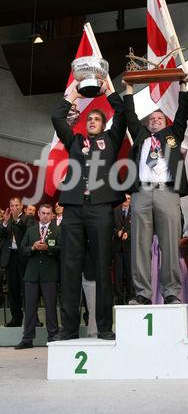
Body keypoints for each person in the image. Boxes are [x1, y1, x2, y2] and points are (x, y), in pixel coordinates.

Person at [51, 81, 126, 340]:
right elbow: (56, 117)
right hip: (73, 208)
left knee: (103, 266)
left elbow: (123, 114)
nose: (93, 120)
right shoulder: (75, 140)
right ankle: (69, 328)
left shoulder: (111, 139)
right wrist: (72, 95)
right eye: (90, 118)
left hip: (101, 208)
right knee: (70, 267)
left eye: (97, 118)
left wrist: (109, 91)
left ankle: (104, 326)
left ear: (104, 124)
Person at [123, 76, 188, 305]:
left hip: (167, 193)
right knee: (140, 246)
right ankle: (142, 293)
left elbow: (183, 113)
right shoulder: (140, 136)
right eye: (151, 118)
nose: (155, 120)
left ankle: (171, 292)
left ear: (165, 121)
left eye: (159, 117)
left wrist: (183, 88)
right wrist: (129, 91)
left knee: (170, 243)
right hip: (141, 194)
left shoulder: (172, 135)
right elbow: (130, 117)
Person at [15, 204, 60, 349]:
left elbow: (62, 248)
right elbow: (22, 249)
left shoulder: (58, 230)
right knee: (30, 307)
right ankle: (27, 338)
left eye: (48, 213)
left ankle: (52, 336)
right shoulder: (30, 230)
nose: (45, 215)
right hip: (32, 274)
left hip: (49, 273)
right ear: (38, 215)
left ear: (52, 215)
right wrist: (33, 248)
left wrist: (49, 248)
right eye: (43, 213)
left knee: (51, 307)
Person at [0, 197, 35, 326]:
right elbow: (2, 235)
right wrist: (4, 222)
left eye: (16, 205)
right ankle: (16, 318)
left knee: (27, 289)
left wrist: (16, 220)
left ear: (21, 206)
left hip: (23, 259)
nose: (14, 208)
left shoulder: (27, 219)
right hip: (10, 258)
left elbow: (29, 234)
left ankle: (33, 318)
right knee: (13, 290)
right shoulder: (8, 219)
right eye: (12, 205)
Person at [113, 194, 133, 304]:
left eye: (129, 198)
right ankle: (118, 298)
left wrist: (128, 234)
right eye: (125, 198)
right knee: (118, 274)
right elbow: (111, 226)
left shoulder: (134, 211)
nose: (126, 200)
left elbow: (137, 226)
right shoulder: (115, 211)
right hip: (117, 247)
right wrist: (117, 232)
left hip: (129, 246)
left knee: (130, 273)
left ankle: (131, 297)